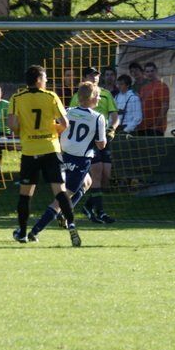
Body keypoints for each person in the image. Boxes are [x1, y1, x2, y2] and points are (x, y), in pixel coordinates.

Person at [27, 82, 107, 240]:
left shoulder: (68, 111)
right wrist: (107, 134)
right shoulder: (98, 118)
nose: (99, 98)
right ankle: (34, 232)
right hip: (80, 162)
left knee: (87, 182)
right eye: (98, 95)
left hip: (61, 157)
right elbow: (101, 145)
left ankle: (63, 213)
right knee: (60, 200)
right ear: (91, 97)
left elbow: (58, 129)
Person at [9, 65, 78, 246]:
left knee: (25, 194)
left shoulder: (17, 98)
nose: (47, 81)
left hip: (30, 151)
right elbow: (65, 123)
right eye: (45, 78)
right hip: (50, 149)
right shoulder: (51, 96)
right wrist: (54, 130)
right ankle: (71, 225)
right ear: (39, 80)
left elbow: (13, 125)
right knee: (60, 191)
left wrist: (25, 131)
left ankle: (22, 233)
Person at [71, 67, 119, 224]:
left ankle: (88, 206)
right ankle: (100, 212)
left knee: (106, 176)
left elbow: (114, 115)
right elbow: (72, 116)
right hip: (88, 140)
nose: (95, 77)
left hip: (103, 137)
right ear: (85, 77)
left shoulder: (106, 94)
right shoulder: (78, 95)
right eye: (92, 75)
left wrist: (112, 129)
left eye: (97, 75)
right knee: (97, 174)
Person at [136, 62, 170, 136]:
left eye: (152, 71)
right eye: (147, 71)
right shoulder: (143, 88)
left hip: (155, 129)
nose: (150, 73)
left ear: (156, 71)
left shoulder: (162, 86)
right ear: (144, 73)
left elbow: (165, 107)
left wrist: (156, 125)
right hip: (142, 128)